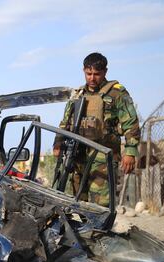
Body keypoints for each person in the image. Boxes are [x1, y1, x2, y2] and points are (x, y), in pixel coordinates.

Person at [53, 52, 140, 208]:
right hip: (78, 154)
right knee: (77, 200)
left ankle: (99, 232)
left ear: (105, 72)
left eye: (97, 74)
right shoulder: (78, 94)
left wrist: (130, 151)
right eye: (89, 74)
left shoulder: (116, 93)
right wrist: (58, 144)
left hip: (103, 155)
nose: (92, 78)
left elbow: (130, 122)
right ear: (84, 71)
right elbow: (65, 122)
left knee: (101, 203)